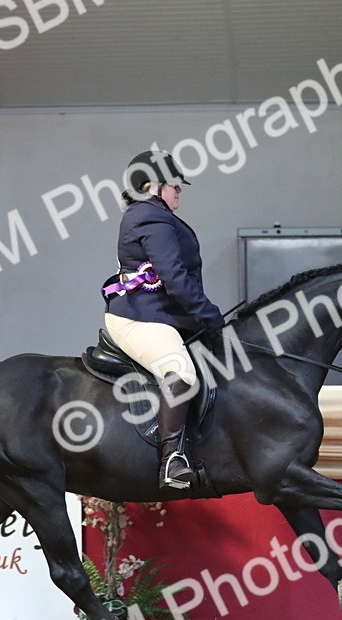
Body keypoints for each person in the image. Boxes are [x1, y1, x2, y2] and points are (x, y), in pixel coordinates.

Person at [102, 150, 225, 490]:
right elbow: (174, 278)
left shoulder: (155, 215)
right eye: (175, 186)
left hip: (162, 315)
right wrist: (210, 315)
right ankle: (172, 459)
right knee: (181, 371)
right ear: (152, 186)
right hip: (142, 319)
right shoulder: (149, 217)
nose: (179, 191)